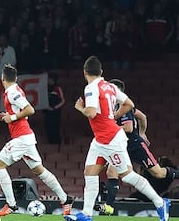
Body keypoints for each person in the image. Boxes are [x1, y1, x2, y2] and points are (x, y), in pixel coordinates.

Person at [65, 56, 168, 221]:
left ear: (85, 73)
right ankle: (86, 214)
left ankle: (160, 202)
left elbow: (90, 112)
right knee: (90, 173)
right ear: (101, 72)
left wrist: (80, 107)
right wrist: (113, 116)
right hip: (100, 140)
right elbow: (129, 104)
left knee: (127, 175)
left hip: (111, 139)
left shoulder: (90, 88)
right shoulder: (111, 87)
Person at [0, 65, 73, 216]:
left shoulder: (12, 92)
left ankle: (11, 204)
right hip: (26, 137)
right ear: (15, 78)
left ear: (2, 78)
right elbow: (20, 111)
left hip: (21, 138)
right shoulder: (16, 90)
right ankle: (65, 199)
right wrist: (5, 116)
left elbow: (29, 110)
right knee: (39, 170)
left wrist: (13, 117)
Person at [98, 79, 179, 215]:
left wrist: (138, 134)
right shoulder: (111, 107)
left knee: (158, 173)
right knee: (111, 172)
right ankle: (109, 207)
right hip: (120, 145)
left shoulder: (123, 105)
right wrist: (143, 132)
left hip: (134, 145)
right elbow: (142, 117)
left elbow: (128, 128)